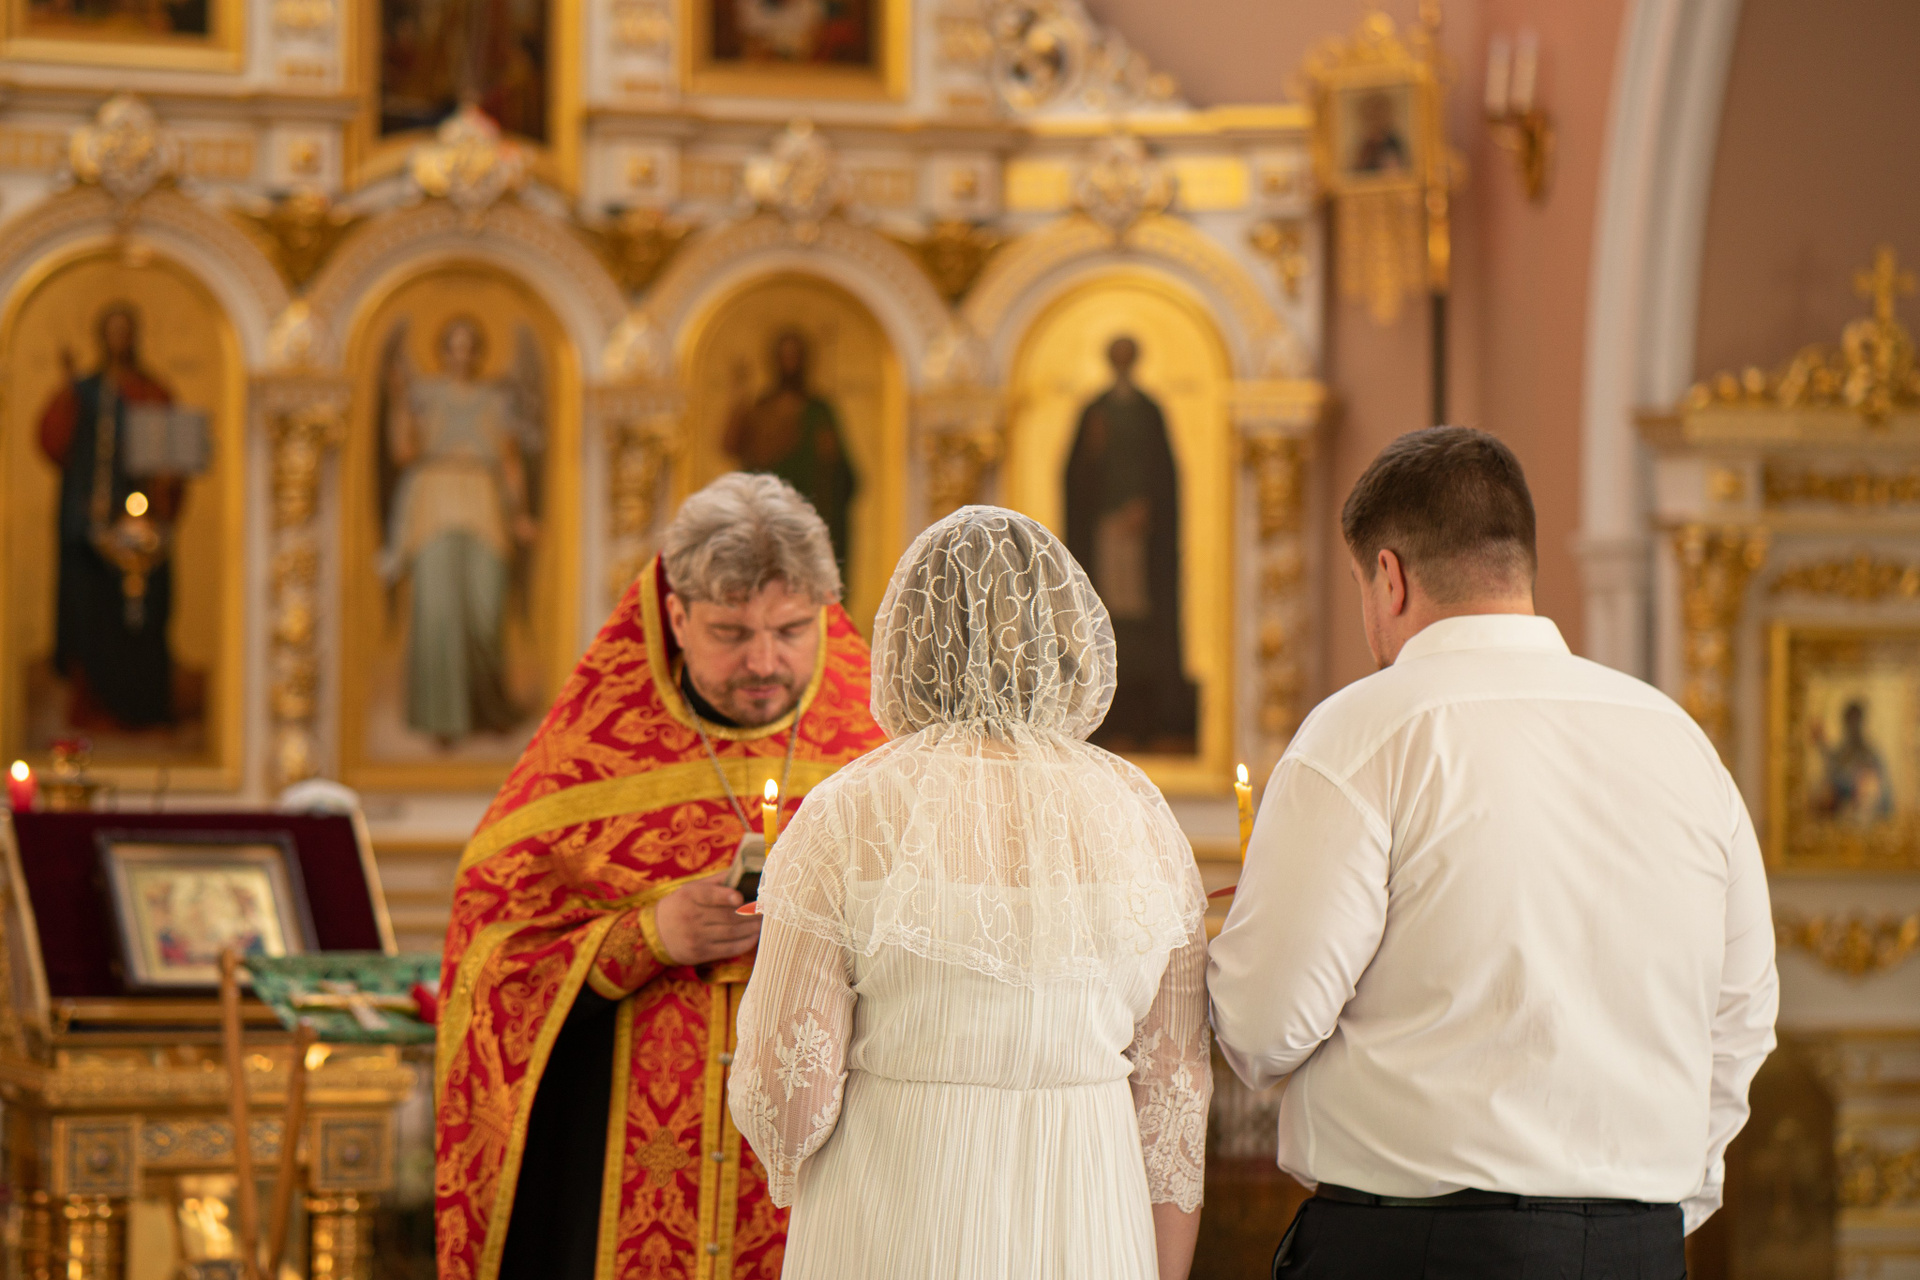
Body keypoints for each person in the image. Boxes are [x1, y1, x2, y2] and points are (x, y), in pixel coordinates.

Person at [1208, 427, 1778, 1279]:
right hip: (1634, 1249)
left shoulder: (1364, 733)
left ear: (1390, 577)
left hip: (1418, 1252)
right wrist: (1648, 1206)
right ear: (1517, 560)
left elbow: (1263, 1032)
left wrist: (1248, 932)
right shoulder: (1680, 743)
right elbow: (1741, 1017)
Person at [729, 506, 1212, 1280]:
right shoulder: (1141, 815)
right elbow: (1176, 1096)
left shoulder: (845, 815)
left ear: (906, 644)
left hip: (898, 1214)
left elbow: (788, 1101)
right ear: (1066, 639)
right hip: (1091, 1213)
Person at [435, 474, 889, 1280]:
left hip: (832, 1175)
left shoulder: (880, 751)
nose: (764, 661)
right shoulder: (590, 754)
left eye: (791, 629)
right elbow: (493, 962)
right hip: (620, 1179)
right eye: (730, 632)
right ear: (676, 616)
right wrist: (646, 937)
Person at [378, 314, 542, 744]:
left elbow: (510, 460)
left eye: (470, 345)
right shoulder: (424, 395)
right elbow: (404, 451)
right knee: (438, 611)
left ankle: (489, 709)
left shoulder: (495, 399)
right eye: (455, 345)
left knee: (486, 611)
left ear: (479, 352)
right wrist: (399, 401)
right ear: (444, 350)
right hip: (433, 502)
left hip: (484, 500)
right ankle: (441, 720)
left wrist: (521, 514)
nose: (462, 354)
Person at [37, 302, 185, 731]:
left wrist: (164, 488)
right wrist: (68, 394)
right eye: (112, 331)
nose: (119, 339)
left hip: (137, 529)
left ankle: (140, 710)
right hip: (87, 528)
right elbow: (53, 441)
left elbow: (172, 462)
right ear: (102, 336)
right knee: (88, 614)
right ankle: (90, 707)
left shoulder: (151, 392)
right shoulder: (84, 390)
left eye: (126, 331)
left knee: (139, 618)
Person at [1064, 336, 1197, 753]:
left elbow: (1163, 473)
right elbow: (1075, 476)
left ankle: (1152, 721)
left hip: (1144, 540)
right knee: (1108, 621)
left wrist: (1147, 508)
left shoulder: (1148, 411)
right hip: (1104, 535)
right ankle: (1110, 724)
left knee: (1144, 623)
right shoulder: (1095, 411)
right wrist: (1093, 454)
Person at [724, 329, 857, 579]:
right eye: (784, 356)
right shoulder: (761, 408)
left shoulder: (819, 411)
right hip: (770, 513)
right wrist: (739, 395)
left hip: (809, 514)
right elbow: (732, 446)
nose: (790, 363)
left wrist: (831, 460)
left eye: (795, 356)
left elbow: (844, 477)